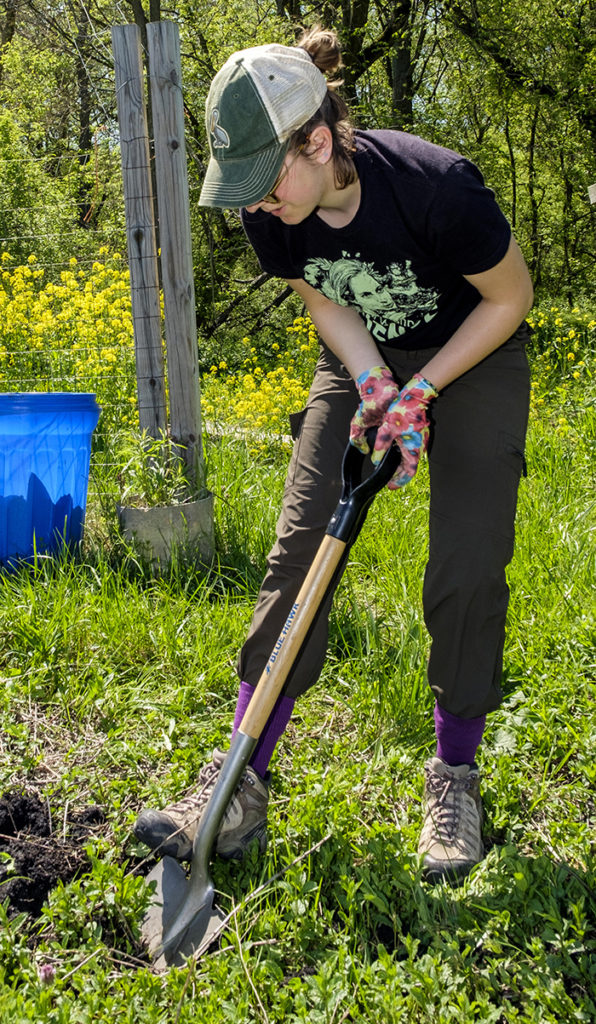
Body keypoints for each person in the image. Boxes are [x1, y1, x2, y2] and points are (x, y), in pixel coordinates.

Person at [134, 26, 533, 883]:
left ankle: (455, 773)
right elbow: (326, 299)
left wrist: (423, 393)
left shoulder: (437, 188)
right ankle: (241, 780)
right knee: (299, 550)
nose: (255, 203)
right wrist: (373, 383)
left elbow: (513, 297)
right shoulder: (271, 211)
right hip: (364, 356)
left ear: (318, 141)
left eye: (264, 180)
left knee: (467, 564)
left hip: (476, 347)